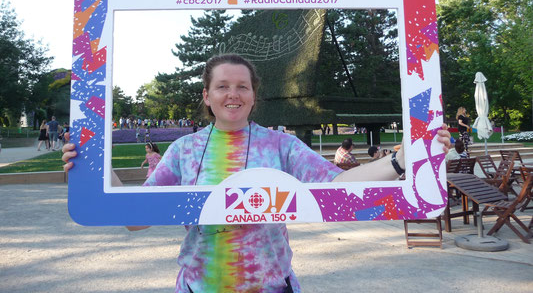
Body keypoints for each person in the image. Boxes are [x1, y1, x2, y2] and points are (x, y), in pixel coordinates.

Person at [63, 53, 451, 292]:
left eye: (242, 86)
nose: (233, 94)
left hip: (271, 287)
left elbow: (338, 186)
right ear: (207, 95)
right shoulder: (184, 149)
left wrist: (403, 159)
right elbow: (135, 220)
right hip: (200, 288)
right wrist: (92, 171)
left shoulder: (280, 145)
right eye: (222, 86)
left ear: (253, 95)